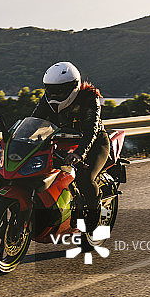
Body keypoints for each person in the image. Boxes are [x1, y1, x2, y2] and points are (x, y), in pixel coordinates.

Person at [32, 61, 110, 233]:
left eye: (59, 90)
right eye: (50, 89)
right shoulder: (46, 100)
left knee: (85, 179)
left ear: (73, 86)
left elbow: (91, 130)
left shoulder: (89, 98)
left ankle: (94, 217)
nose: (54, 94)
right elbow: (35, 121)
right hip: (63, 143)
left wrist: (80, 153)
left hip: (94, 143)